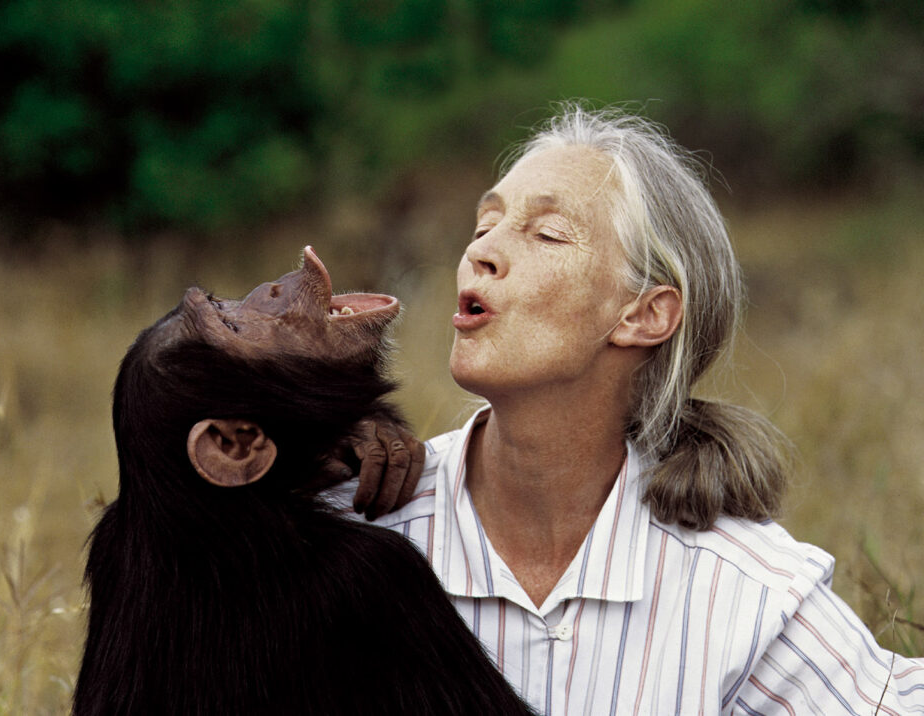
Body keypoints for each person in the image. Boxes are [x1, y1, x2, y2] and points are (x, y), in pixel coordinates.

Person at [332, 104, 924, 714]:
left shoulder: (749, 595)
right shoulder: (349, 526)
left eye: (547, 234)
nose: (480, 253)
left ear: (643, 315)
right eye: (484, 226)